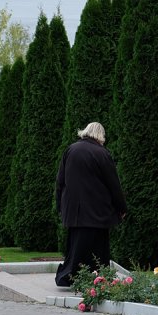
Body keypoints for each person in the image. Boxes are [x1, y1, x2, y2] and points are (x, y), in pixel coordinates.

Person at [54, 122, 126, 287]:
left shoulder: (70, 150)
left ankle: (71, 276)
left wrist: (60, 205)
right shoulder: (102, 153)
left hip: (73, 211)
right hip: (96, 212)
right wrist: (121, 208)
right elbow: (114, 185)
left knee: (75, 247)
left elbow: (60, 181)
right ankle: (96, 277)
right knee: (97, 249)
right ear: (100, 135)